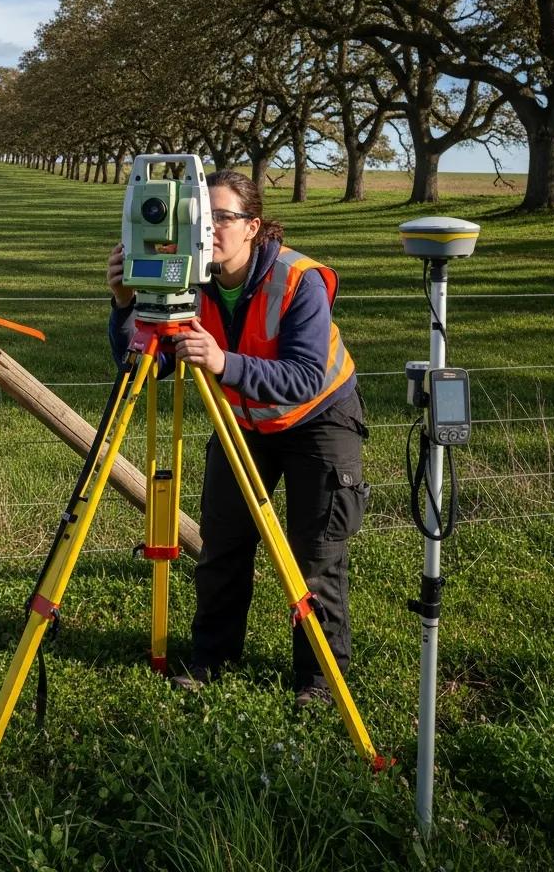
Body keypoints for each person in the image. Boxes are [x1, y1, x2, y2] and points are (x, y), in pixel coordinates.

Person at [106, 169, 370, 706]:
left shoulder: (300, 280)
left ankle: (320, 680)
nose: (209, 229)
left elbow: (303, 378)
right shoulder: (187, 277)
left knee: (315, 554)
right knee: (222, 546)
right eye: (202, 218)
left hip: (319, 419)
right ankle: (211, 661)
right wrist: (125, 303)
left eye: (222, 218)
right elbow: (141, 364)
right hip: (244, 422)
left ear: (253, 226)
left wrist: (224, 362)